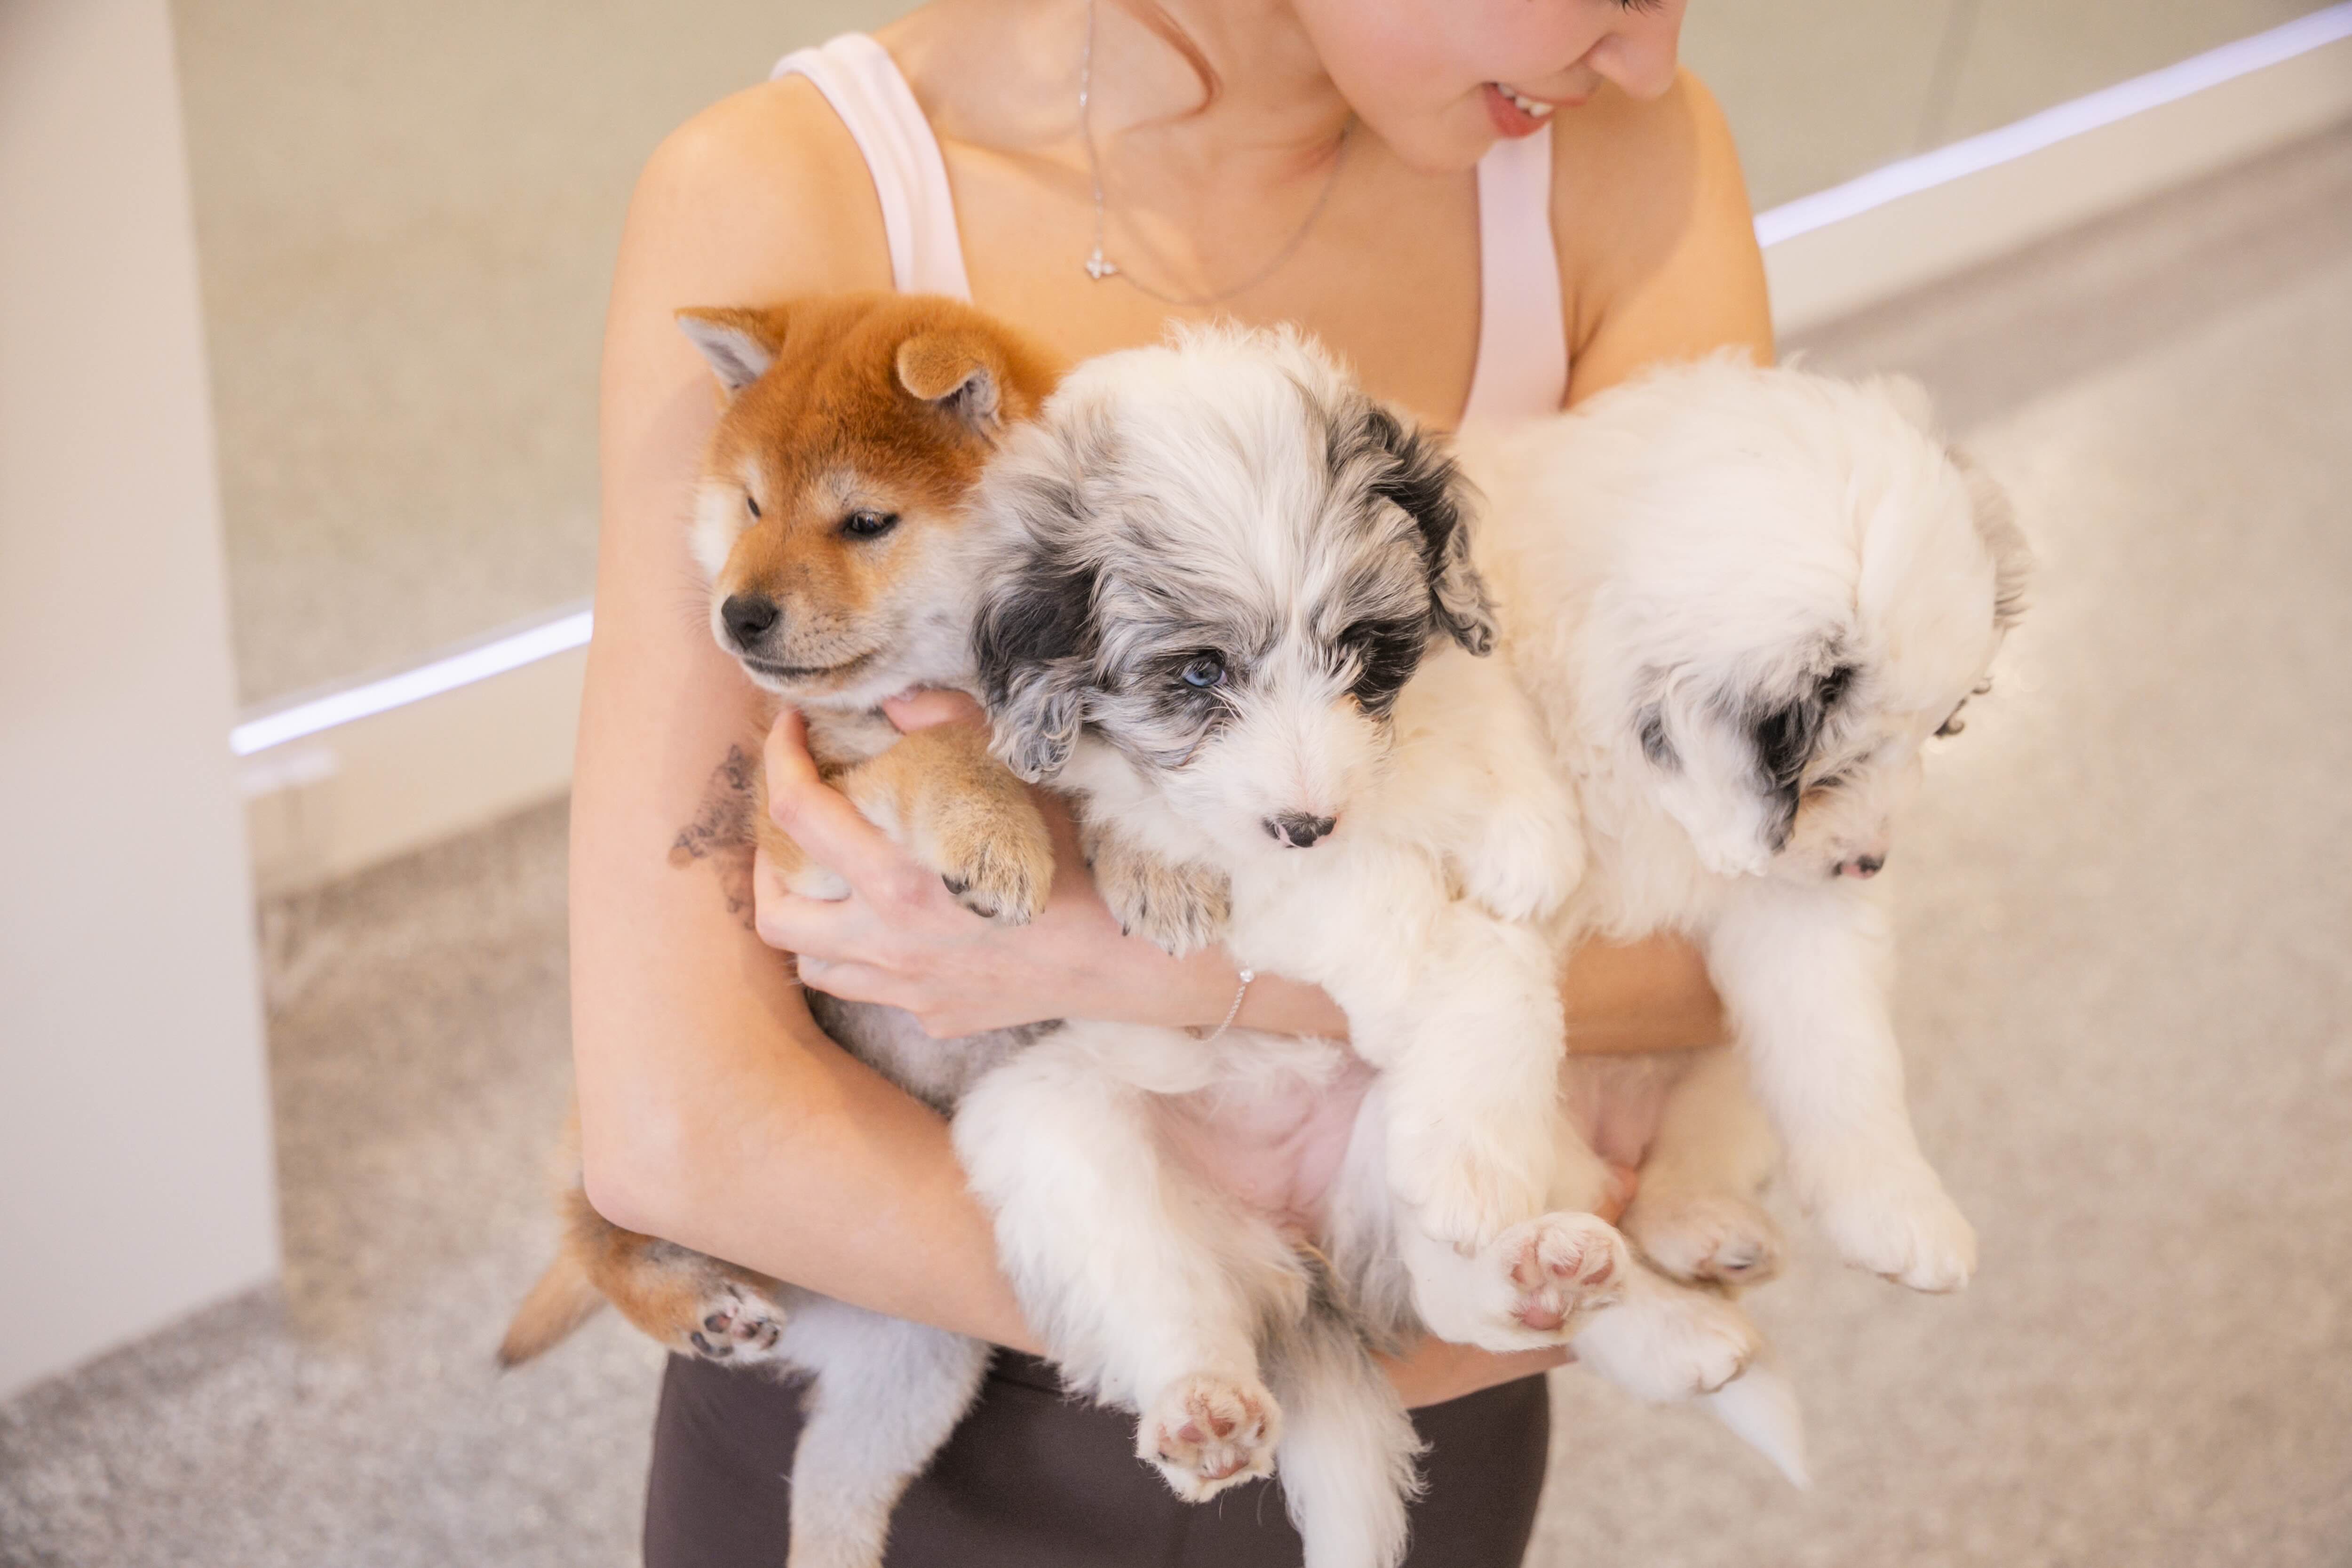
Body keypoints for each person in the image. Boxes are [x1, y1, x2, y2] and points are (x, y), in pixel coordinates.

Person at [572, 0, 1770, 1561]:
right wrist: (1208, 1336)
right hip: (908, 1398)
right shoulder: (786, 187)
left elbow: (1721, 939)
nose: (1650, 55)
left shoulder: (1620, 163)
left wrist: (1127, 959)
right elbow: (676, 1121)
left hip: (1415, 1415)